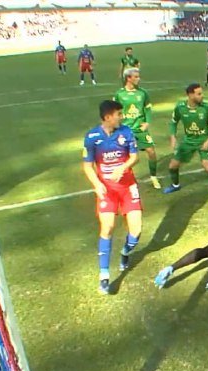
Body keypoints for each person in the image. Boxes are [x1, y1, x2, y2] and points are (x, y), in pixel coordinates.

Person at [82, 100, 142, 294]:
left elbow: (135, 157)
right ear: (108, 117)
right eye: (119, 114)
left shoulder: (126, 132)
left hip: (128, 187)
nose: (121, 117)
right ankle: (104, 276)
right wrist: (97, 184)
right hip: (107, 190)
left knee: (136, 231)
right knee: (107, 227)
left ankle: (125, 252)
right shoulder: (92, 137)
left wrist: (122, 168)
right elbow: (87, 166)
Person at [163, 83, 208, 208]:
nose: (202, 96)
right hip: (188, 142)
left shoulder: (206, 108)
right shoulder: (180, 108)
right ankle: (176, 185)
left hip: (203, 142)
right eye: (199, 94)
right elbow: (173, 123)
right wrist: (173, 137)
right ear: (190, 95)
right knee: (172, 166)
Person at [113, 68, 160, 189]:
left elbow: (147, 108)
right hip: (126, 130)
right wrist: (117, 124)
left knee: (151, 151)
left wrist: (147, 122)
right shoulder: (119, 94)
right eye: (136, 77)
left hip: (140, 128)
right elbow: (114, 110)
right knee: (125, 156)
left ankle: (153, 176)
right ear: (128, 78)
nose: (139, 79)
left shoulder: (142, 93)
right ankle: (125, 178)